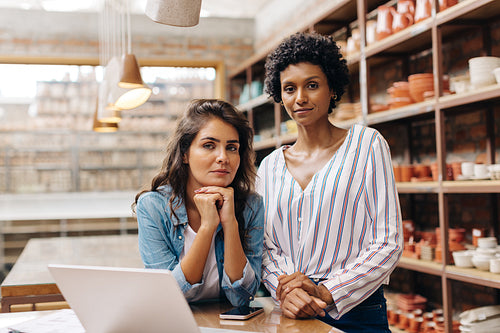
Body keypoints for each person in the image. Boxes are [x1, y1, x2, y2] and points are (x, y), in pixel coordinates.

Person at [256, 32, 403, 332]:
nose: (300, 98)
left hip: (357, 313)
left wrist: (325, 291)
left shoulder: (367, 145)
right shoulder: (269, 167)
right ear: (279, 94)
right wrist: (289, 292)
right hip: (291, 310)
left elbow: (388, 242)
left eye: (312, 85)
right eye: (289, 88)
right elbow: (264, 248)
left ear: (332, 89)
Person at [134, 99, 264, 307]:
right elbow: (168, 295)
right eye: (209, 145)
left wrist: (230, 222)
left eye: (232, 148)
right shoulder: (153, 206)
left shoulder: (252, 205)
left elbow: (242, 296)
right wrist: (207, 227)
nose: (223, 157)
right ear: (185, 154)